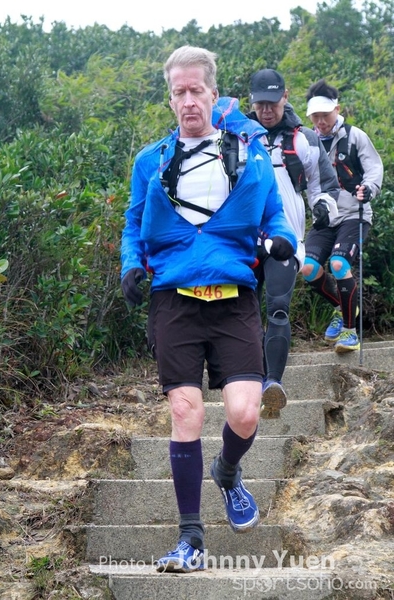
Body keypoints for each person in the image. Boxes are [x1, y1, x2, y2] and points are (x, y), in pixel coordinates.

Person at [120, 46, 297, 573]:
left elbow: (274, 216)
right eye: (179, 92)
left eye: (197, 90)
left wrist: (283, 242)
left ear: (214, 94)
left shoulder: (249, 154)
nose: (189, 100)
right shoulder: (151, 161)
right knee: (185, 411)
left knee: (245, 412)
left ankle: (228, 471)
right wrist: (131, 266)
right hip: (173, 300)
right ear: (170, 100)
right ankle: (190, 538)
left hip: (233, 298)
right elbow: (133, 224)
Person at [246, 69, 340, 417]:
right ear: (251, 102)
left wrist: (323, 206)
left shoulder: (304, 140)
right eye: (260, 104)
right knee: (245, 314)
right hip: (243, 240)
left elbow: (324, 186)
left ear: (285, 97)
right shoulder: (239, 138)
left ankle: (273, 383)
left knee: (278, 307)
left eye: (272, 103)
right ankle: (250, 381)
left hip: (285, 238)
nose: (266, 110)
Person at [302, 79, 384, 352]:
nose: (321, 121)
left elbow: (374, 168)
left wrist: (368, 189)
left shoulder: (354, 136)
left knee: (338, 264)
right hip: (325, 216)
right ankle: (342, 306)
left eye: (325, 115)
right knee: (308, 268)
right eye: (315, 116)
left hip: (354, 214)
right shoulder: (306, 141)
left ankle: (350, 331)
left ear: (337, 109)